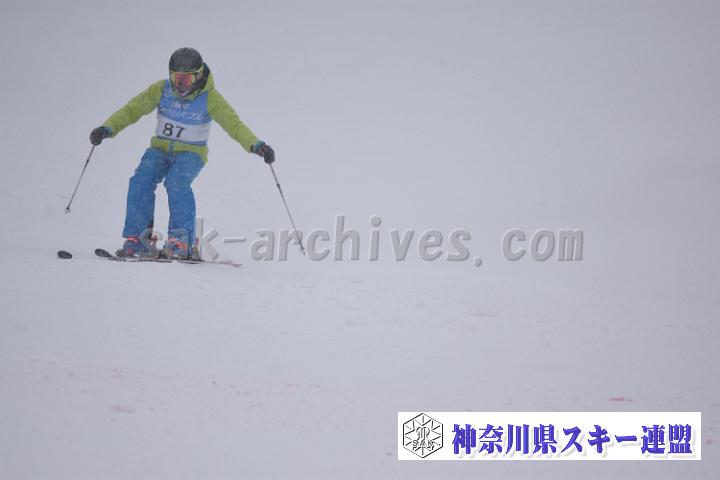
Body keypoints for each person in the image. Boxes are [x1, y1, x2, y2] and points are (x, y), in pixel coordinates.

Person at [89, 47, 274, 259]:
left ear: (199, 76)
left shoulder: (210, 98)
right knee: (140, 180)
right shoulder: (161, 90)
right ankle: (139, 240)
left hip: (191, 154)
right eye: (177, 79)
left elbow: (234, 125)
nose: (181, 85)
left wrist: (256, 145)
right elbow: (132, 110)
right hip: (159, 150)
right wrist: (107, 128)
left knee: (176, 182)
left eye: (187, 80)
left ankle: (181, 240)